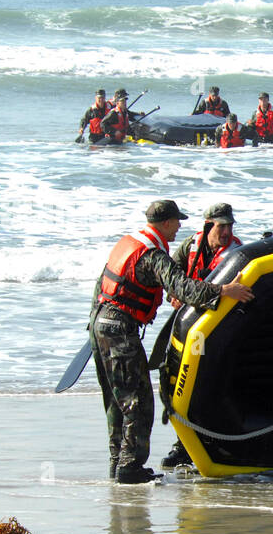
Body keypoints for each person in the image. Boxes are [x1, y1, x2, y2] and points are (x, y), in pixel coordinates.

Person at [90, 199, 255, 483]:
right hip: (120, 329)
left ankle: (118, 462)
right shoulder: (154, 255)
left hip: (99, 324)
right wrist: (225, 290)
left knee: (116, 400)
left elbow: (102, 285)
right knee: (138, 402)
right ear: (165, 223)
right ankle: (129, 468)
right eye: (176, 221)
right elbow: (182, 286)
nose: (179, 226)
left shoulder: (129, 243)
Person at [161, 202, 245, 469]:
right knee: (178, 385)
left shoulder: (238, 252)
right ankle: (182, 446)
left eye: (230, 225)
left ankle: (211, 445)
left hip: (216, 330)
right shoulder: (190, 246)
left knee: (207, 387)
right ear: (209, 224)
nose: (226, 231)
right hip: (188, 326)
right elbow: (171, 276)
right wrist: (173, 295)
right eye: (221, 226)